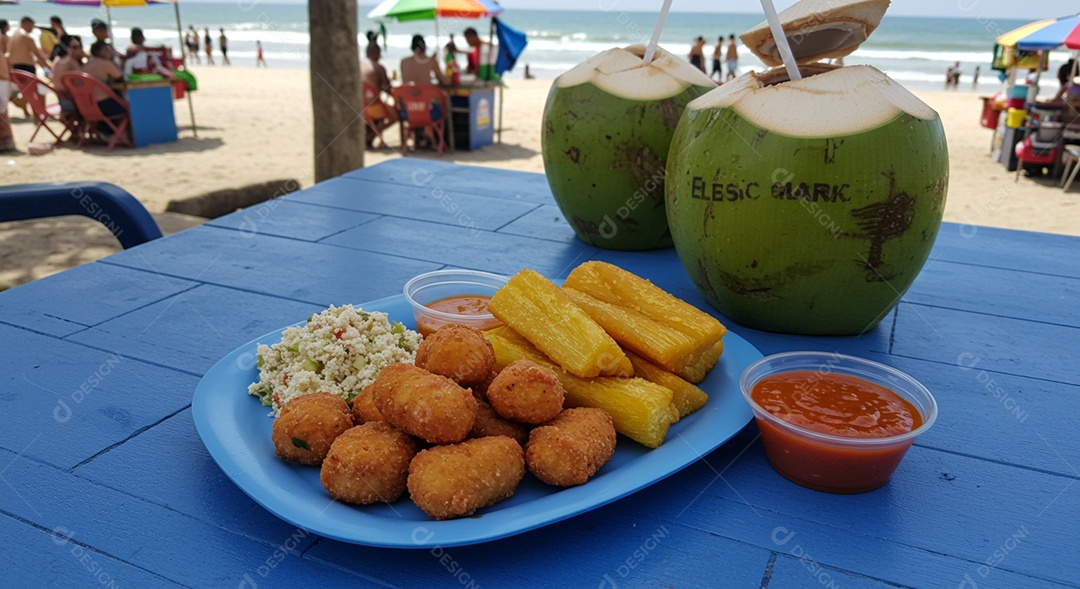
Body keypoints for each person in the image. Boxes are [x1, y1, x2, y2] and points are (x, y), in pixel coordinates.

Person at [84, 40, 126, 135]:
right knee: (130, 106)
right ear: (100, 52)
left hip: (86, 106)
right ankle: (123, 134)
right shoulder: (105, 64)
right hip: (104, 106)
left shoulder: (86, 65)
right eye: (107, 49)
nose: (110, 51)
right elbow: (120, 77)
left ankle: (105, 131)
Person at [360, 43, 397, 148]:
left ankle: (370, 134)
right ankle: (373, 134)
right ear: (376, 53)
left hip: (359, 106)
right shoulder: (378, 67)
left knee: (375, 114)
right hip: (374, 108)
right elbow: (388, 89)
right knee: (397, 114)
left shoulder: (358, 64)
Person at [51, 35, 85, 114]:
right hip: (70, 102)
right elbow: (83, 80)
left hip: (61, 100)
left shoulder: (57, 59)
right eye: (75, 47)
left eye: (80, 46)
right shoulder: (70, 61)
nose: (79, 49)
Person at [0, 42, 16, 152]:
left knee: (2, 111)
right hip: (3, 81)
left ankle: (5, 143)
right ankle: (5, 143)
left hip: (3, 82)